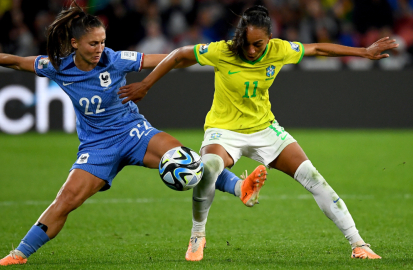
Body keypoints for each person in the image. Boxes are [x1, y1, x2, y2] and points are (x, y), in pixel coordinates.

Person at [0, 1, 265, 266]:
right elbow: (17, 61)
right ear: (75, 43)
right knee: (66, 200)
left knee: (185, 159)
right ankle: (20, 254)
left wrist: (210, 57)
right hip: (97, 146)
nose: (100, 49)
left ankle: (241, 188)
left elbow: (165, 59)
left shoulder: (116, 60)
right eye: (93, 44)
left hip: (134, 132)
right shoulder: (58, 67)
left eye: (103, 42)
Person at [118, 5, 398, 261]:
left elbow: (317, 49)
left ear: (269, 39)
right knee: (210, 167)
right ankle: (197, 236)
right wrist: (146, 84)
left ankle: (358, 244)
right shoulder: (223, 50)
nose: (251, 50)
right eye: (247, 43)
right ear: (239, 36)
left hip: (265, 128)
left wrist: (363, 51)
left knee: (314, 178)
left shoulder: (279, 49)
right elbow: (179, 54)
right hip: (224, 130)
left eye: (258, 44)